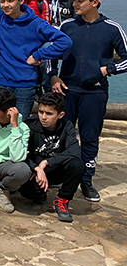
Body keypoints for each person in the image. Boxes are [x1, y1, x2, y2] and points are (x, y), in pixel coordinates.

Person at [50, 0, 127, 203]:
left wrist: (106, 69)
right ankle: (61, 174)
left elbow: (126, 58)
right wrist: (53, 76)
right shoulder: (67, 25)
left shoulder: (112, 28)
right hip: (66, 90)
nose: (75, 3)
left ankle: (86, 179)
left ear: (95, 2)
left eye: (80, 0)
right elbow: (50, 53)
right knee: (61, 136)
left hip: (94, 93)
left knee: (90, 138)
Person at [20, 92, 85, 222]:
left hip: (55, 166)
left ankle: (62, 201)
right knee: (27, 192)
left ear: (60, 115)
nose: (43, 117)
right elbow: (19, 153)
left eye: (49, 114)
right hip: (35, 170)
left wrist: (46, 162)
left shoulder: (66, 126)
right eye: (41, 112)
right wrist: (35, 167)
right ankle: (40, 192)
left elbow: (74, 151)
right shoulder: (30, 125)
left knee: (77, 165)